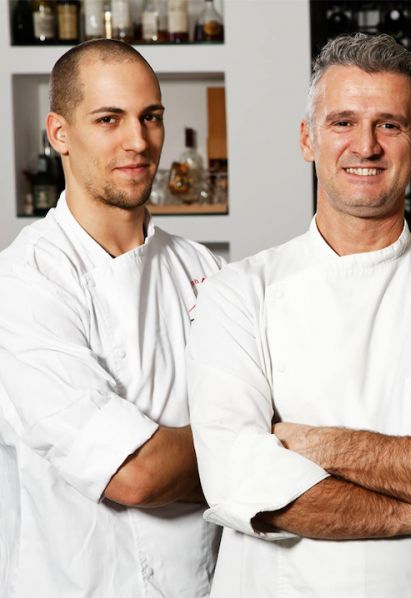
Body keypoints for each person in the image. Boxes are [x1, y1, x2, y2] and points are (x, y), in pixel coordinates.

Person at [186, 32, 411, 597]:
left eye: (390, 125)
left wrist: (317, 446)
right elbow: (241, 481)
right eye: (343, 122)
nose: (366, 146)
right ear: (308, 139)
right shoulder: (238, 294)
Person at [0, 40, 222, 597]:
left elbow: (287, 411)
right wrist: (243, 447)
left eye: (151, 117)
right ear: (59, 135)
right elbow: (134, 474)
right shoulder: (25, 281)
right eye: (109, 119)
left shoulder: (207, 273)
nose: (139, 141)